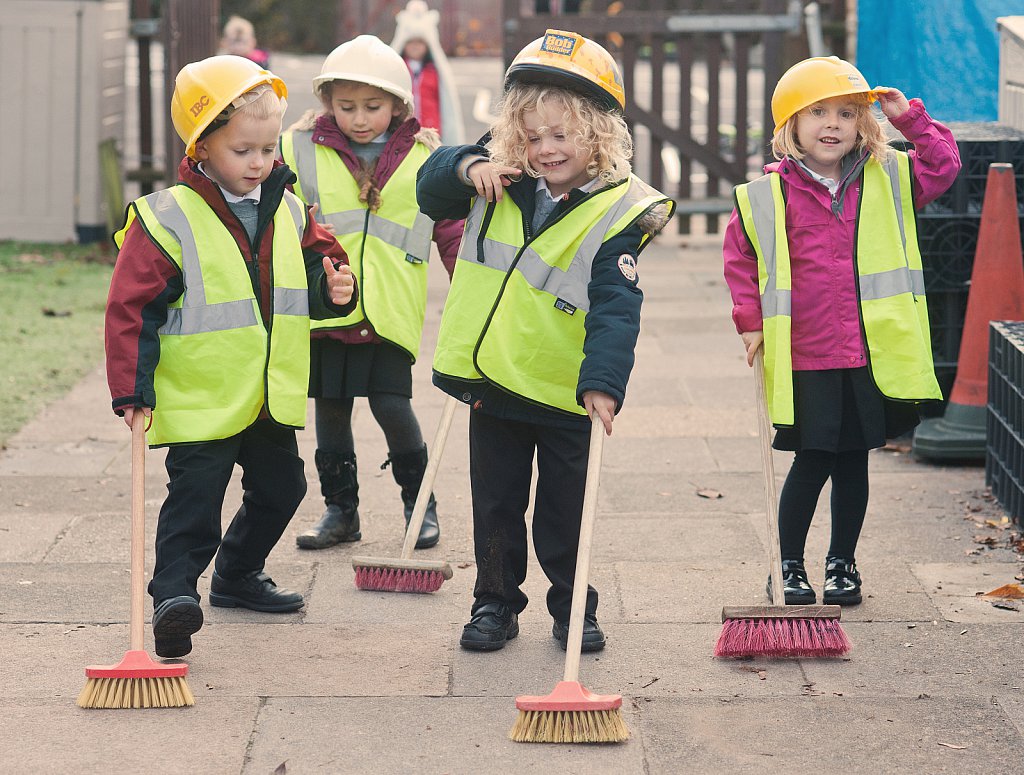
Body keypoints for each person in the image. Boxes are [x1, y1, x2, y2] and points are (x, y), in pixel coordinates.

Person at [417, 30, 674, 652]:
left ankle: (573, 608)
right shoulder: (497, 175)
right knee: (496, 506)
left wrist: (604, 382)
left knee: (565, 515)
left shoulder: (617, 210)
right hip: (495, 379)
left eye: (561, 135)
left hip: (565, 391)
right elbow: (431, 188)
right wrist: (468, 165)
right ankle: (495, 603)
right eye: (531, 137)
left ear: (598, 135)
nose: (545, 149)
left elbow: (618, 307)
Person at [105, 55, 357, 658]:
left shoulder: (290, 208)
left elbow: (316, 276)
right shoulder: (166, 217)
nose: (260, 162)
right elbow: (130, 308)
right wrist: (131, 390)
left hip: (268, 394)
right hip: (202, 396)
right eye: (244, 150)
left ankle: (237, 574)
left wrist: (336, 288)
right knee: (195, 499)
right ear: (201, 148)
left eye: (269, 149)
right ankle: (173, 595)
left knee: (283, 489)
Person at [722, 56, 960, 606]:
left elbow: (944, 166)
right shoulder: (765, 195)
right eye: (818, 112)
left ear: (863, 124)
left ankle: (842, 563)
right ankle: (787, 564)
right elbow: (740, 259)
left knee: (854, 459)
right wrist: (749, 324)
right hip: (805, 352)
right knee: (814, 458)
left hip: (864, 351)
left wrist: (911, 121)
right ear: (792, 127)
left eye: (847, 113)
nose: (832, 124)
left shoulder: (889, 175)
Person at [280, 35, 464, 552]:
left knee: (392, 406)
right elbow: (283, 220)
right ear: (327, 103)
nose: (359, 118)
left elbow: (448, 228)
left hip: (388, 311)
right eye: (346, 106)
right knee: (330, 413)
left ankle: (419, 503)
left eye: (373, 107)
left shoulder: (428, 157)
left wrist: (467, 285)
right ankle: (341, 512)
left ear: (399, 105)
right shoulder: (298, 148)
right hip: (326, 306)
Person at [390, 0, 466, 145]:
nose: (415, 47)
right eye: (410, 42)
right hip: (402, 133)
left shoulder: (435, 71)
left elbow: (444, 103)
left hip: (432, 133)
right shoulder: (398, 69)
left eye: (420, 42)